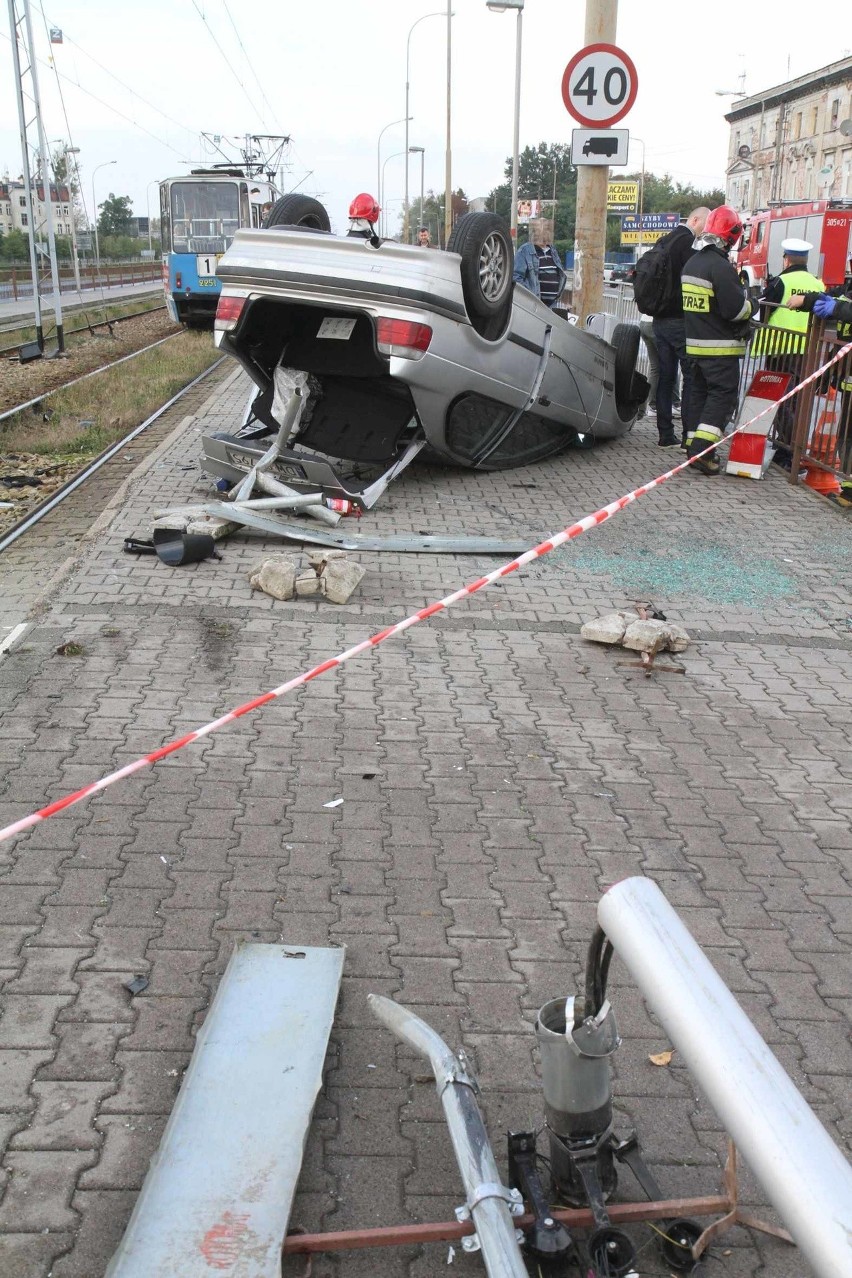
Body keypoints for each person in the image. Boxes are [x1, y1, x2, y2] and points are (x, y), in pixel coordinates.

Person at [681, 205, 757, 475]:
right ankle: (702, 450)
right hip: (720, 349)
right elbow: (735, 311)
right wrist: (753, 303)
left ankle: (692, 445)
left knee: (699, 395)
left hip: (695, 346)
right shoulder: (720, 267)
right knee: (721, 397)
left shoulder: (693, 263)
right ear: (732, 235)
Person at [752, 239, 826, 445]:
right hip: (808, 349)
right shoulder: (818, 283)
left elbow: (762, 312)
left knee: (781, 400)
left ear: (786, 260)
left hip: (780, 349)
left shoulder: (780, 282)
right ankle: (794, 446)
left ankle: (789, 448)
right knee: (798, 401)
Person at [651, 207, 710, 449]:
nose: (706, 231)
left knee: (666, 378)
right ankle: (689, 435)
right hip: (680, 320)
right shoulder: (689, 245)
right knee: (691, 379)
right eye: (705, 225)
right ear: (694, 219)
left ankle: (665, 434)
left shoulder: (664, 240)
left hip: (659, 321)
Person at [790, 289, 852, 505]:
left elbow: (839, 306)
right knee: (847, 435)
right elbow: (830, 298)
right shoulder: (848, 297)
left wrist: (836, 308)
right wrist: (807, 300)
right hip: (848, 380)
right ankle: (849, 490)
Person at [512, 224, 567, 310]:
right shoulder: (525, 250)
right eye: (540, 229)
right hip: (534, 306)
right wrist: (530, 294)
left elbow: (560, 275)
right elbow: (516, 277)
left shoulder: (552, 250)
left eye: (547, 230)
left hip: (552, 306)